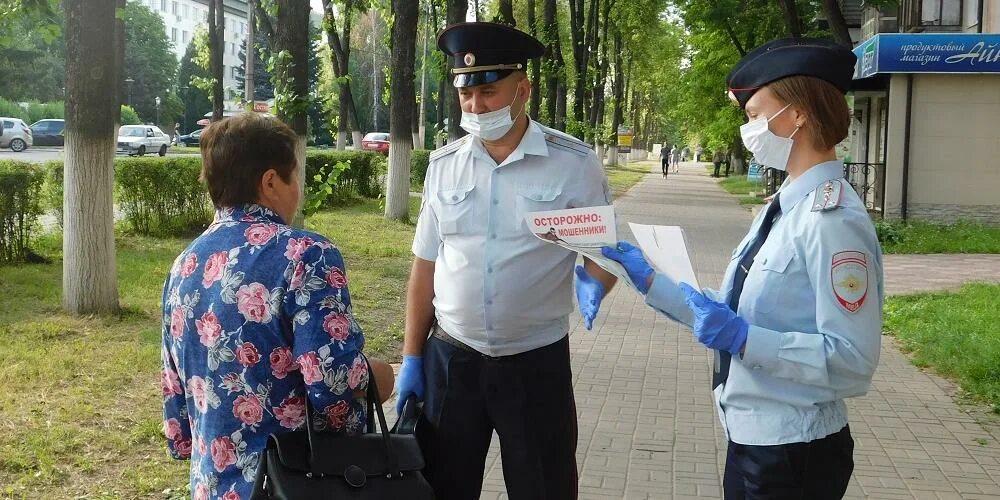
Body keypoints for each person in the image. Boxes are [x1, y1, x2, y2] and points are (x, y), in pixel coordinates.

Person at [603, 38, 883, 499]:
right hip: (758, 441)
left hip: (795, 451)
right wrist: (653, 283)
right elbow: (733, 313)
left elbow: (852, 362)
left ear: (796, 115)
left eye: (755, 115)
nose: (747, 129)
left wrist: (745, 340)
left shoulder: (834, 223)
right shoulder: (786, 206)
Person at [396, 21, 617, 499]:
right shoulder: (443, 166)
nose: (476, 107)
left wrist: (596, 283)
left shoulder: (574, 164)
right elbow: (425, 267)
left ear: (524, 89)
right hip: (453, 360)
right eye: (467, 96)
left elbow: (605, 252)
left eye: (490, 93)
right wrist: (413, 355)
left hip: (535, 363)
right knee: (442, 489)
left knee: (544, 487)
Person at [160, 113, 394, 500]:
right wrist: (380, 378)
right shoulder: (306, 255)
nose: (298, 188)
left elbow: (175, 397)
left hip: (212, 485)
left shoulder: (186, 263)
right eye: (295, 175)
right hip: (294, 483)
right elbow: (331, 385)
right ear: (270, 181)